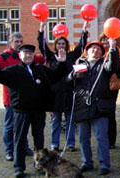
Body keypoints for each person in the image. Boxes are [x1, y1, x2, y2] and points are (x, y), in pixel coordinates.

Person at [0, 44, 68, 178]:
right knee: (20, 139)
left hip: (38, 111)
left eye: (30, 53)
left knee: (39, 139)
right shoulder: (13, 70)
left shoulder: (41, 70)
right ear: (20, 55)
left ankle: (41, 165)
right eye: (25, 53)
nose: (28, 56)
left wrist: (62, 63)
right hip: (21, 111)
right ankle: (19, 168)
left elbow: (56, 76)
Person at [68, 39, 120, 175]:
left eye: (98, 49)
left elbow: (113, 67)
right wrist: (72, 76)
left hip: (99, 107)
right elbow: (68, 81)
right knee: (83, 138)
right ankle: (87, 162)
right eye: (92, 48)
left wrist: (113, 50)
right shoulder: (80, 64)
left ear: (102, 53)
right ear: (87, 50)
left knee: (101, 137)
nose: (95, 50)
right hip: (82, 106)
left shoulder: (104, 64)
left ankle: (104, 164)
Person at [38, 21, 89, 152]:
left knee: (70, 119)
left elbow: (81, 47)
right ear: (56, 45)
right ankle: (54, 144)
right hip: (55, 93)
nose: (61, 46)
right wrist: (41, 31)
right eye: (59, 44)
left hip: (69, 92)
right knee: (55, 120)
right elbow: (42, 46)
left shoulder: (71, 56)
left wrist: (84, 31)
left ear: (66, 45)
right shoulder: (52, 57)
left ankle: (70, 143)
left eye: (63, 44)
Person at [0, 32, 44, 161]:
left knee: (24, 127)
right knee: (11, 126)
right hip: (11, 100)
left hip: (29, 103)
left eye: (21, 41)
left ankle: (25, 148)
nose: (19, 43)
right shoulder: (4, 57)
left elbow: (44, 58)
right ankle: (9, 150)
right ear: (10, 43)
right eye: (17, 41)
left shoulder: (28, 58)